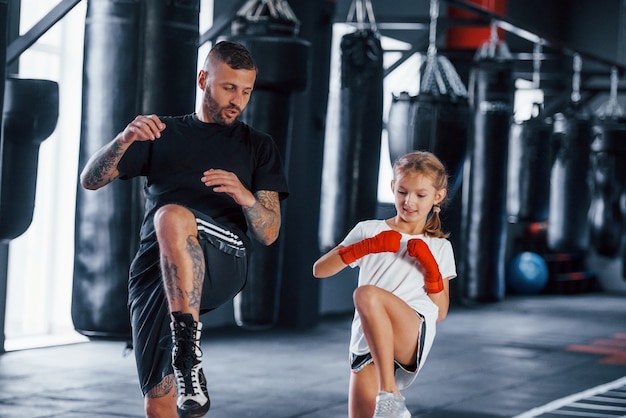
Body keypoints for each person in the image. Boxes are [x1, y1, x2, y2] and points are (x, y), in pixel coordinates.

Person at [80, 40, 289, 418]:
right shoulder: (162, 134)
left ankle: (188, 354)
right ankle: (184, 362)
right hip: (155, 273)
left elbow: (269, 231)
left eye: (246, 91)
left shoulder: (258, 146)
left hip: (224, 258)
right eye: (229, 88)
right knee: (159, 400)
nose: (237, 100)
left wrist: (244, 196)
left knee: (171, 216)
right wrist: (123, 139)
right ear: (203, 79)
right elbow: (90, 180)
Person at [313, 151, 456, 418]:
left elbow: (441, 312)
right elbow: (319, 270)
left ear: (438, 197)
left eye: (420, 195)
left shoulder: (439, 247)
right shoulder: (369, 230)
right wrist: (366, 247)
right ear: (392, 187)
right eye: (402, 191)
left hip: (410, 331)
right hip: (368, 341)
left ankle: (390, 392)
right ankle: (390, 400)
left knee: (366, 294)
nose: (409, 201)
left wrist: (431, 269)